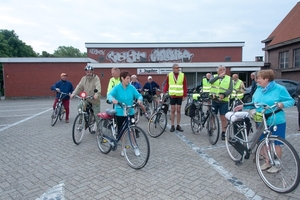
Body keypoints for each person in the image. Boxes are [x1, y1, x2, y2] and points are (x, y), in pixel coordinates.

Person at [234, 69, 294, 173]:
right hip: (261, 120)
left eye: (259, 78)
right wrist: (243, 106)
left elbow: (291, 101)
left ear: (267, 79)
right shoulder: (259, 89)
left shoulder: (279, 89)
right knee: (262, 141)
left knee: (276, 143)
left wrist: (282, 104)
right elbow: (255, 103)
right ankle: (267, 162)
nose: (257, 80)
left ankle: (277, 164)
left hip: (276, 120)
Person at [107, 70, 143, 156]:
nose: (129, 80)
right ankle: (123, 148)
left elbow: (139, 95)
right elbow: (109, 95)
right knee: (121, 131)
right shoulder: (117, 88)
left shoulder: (131, 87)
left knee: (132, 130)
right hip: (120, 112)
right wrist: (112, 100)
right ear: (122, 78)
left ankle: (135, 147)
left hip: (130, 111)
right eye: (127, 78)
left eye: (129, 78)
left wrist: (139, 99)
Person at [70, 65, 101, 132]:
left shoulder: (96, 78)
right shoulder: (84, 78)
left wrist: (96, 95)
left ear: (92, 72)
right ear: (86, 72)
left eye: (90, 71)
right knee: (79, 106)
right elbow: (79, 87)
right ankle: (81, 118)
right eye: (87, 71)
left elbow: (98, 87)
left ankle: (100, 132)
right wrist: (74, 93)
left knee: (97, 116)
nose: (89, 73)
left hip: (94, 99)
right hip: (86, 98)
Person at [209, 65, 233, 140]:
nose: (222, 71)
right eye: (220, 69)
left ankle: (223, 132)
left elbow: (230, 89)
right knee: (212, 115)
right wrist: (218, 76)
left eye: (223, 70)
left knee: (223, 117)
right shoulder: (214, 76)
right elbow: (210, 81)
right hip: (214, 99)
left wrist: (224, 94)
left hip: (224, 101)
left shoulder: (229, 78)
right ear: (217, 71)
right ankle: (212, 127)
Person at [163, 63, 187, 132]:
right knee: (173, 110)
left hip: (179, 95)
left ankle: (178, 125)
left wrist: (184, 95)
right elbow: (167, 84)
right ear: (173, 69)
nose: (178, 69)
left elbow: (185, 85)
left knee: (179, 110)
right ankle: (172, 125)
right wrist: (164, 91)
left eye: (178, 68)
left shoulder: (182, 75)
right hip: (172, 95)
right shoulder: (169, 75)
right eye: (176, 68)